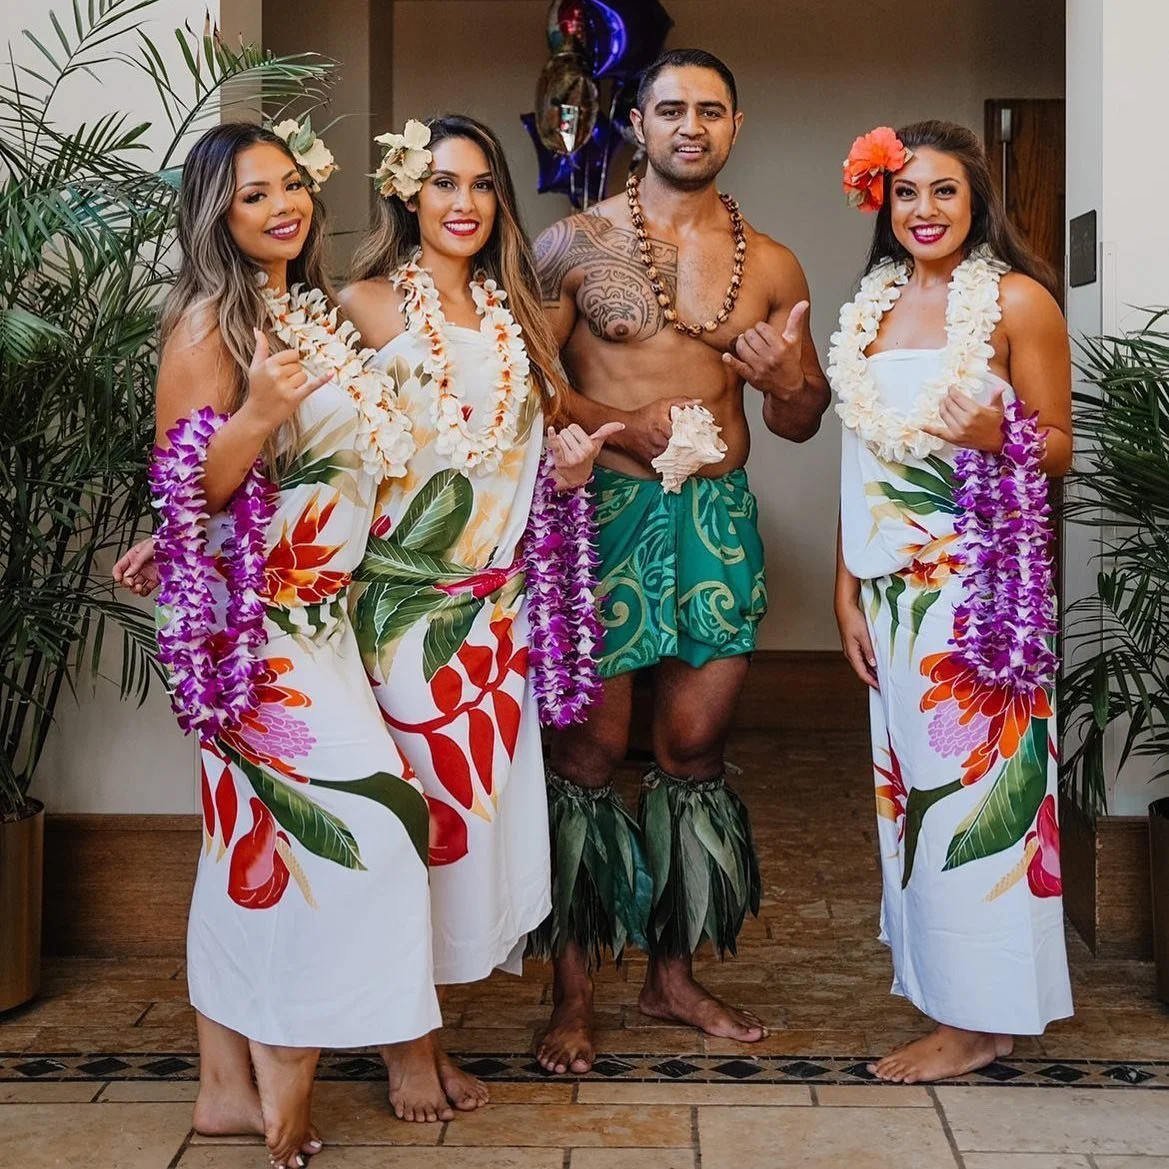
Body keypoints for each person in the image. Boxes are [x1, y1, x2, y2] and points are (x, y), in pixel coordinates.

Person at [529, 48, 831, 1075]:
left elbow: (795, 421)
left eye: (708, 110)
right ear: (635, 124)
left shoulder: (775, 264)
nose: (688, 125)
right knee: (584, 757)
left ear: (734, 127)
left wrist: (793, 384)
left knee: (693, 751)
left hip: (714, 518)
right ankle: (570, 996)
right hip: (599, 512)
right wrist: (625, 422)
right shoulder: (573, 243)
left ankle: (668, 973)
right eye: (669, 109)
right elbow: (522, 387)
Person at [149, 120, 439, 1168]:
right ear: (214, 217)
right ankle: (284, 1067)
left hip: (316, 619)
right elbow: (187, 484)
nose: (282, 206)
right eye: (250, 195)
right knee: (356, 835)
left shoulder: (301, 310)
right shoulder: (205, 325)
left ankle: (223, 1088)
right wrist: (261, 411)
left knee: (249, 848)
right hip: (247, 632)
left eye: (289, 186)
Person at [337, 113, 620, 1117]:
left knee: (465, 833)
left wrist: (571, 469)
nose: (461, 202)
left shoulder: (518, 318)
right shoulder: (362, 305)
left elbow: (524, 461)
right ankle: (405, 1051)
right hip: (398, 613)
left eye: (480, 184)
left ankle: (423, 1029)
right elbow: (308, 453)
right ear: (406, 194)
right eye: (441, 182)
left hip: (494, 625)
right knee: (410, 826)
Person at [831, 120, 1073, 1083]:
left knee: (981, 802)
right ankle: (952, 997)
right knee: (913, 802)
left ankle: (981, 1020)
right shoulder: (872, 307)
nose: (922, 211)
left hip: (980, 599)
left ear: (976, 201)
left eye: (942, 192)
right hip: (890, 599)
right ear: (881, 206)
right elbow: (863, 462)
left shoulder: (1016, 300)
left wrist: (999, 429)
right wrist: (846, 590)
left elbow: (1057, 446)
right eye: (905, 193)